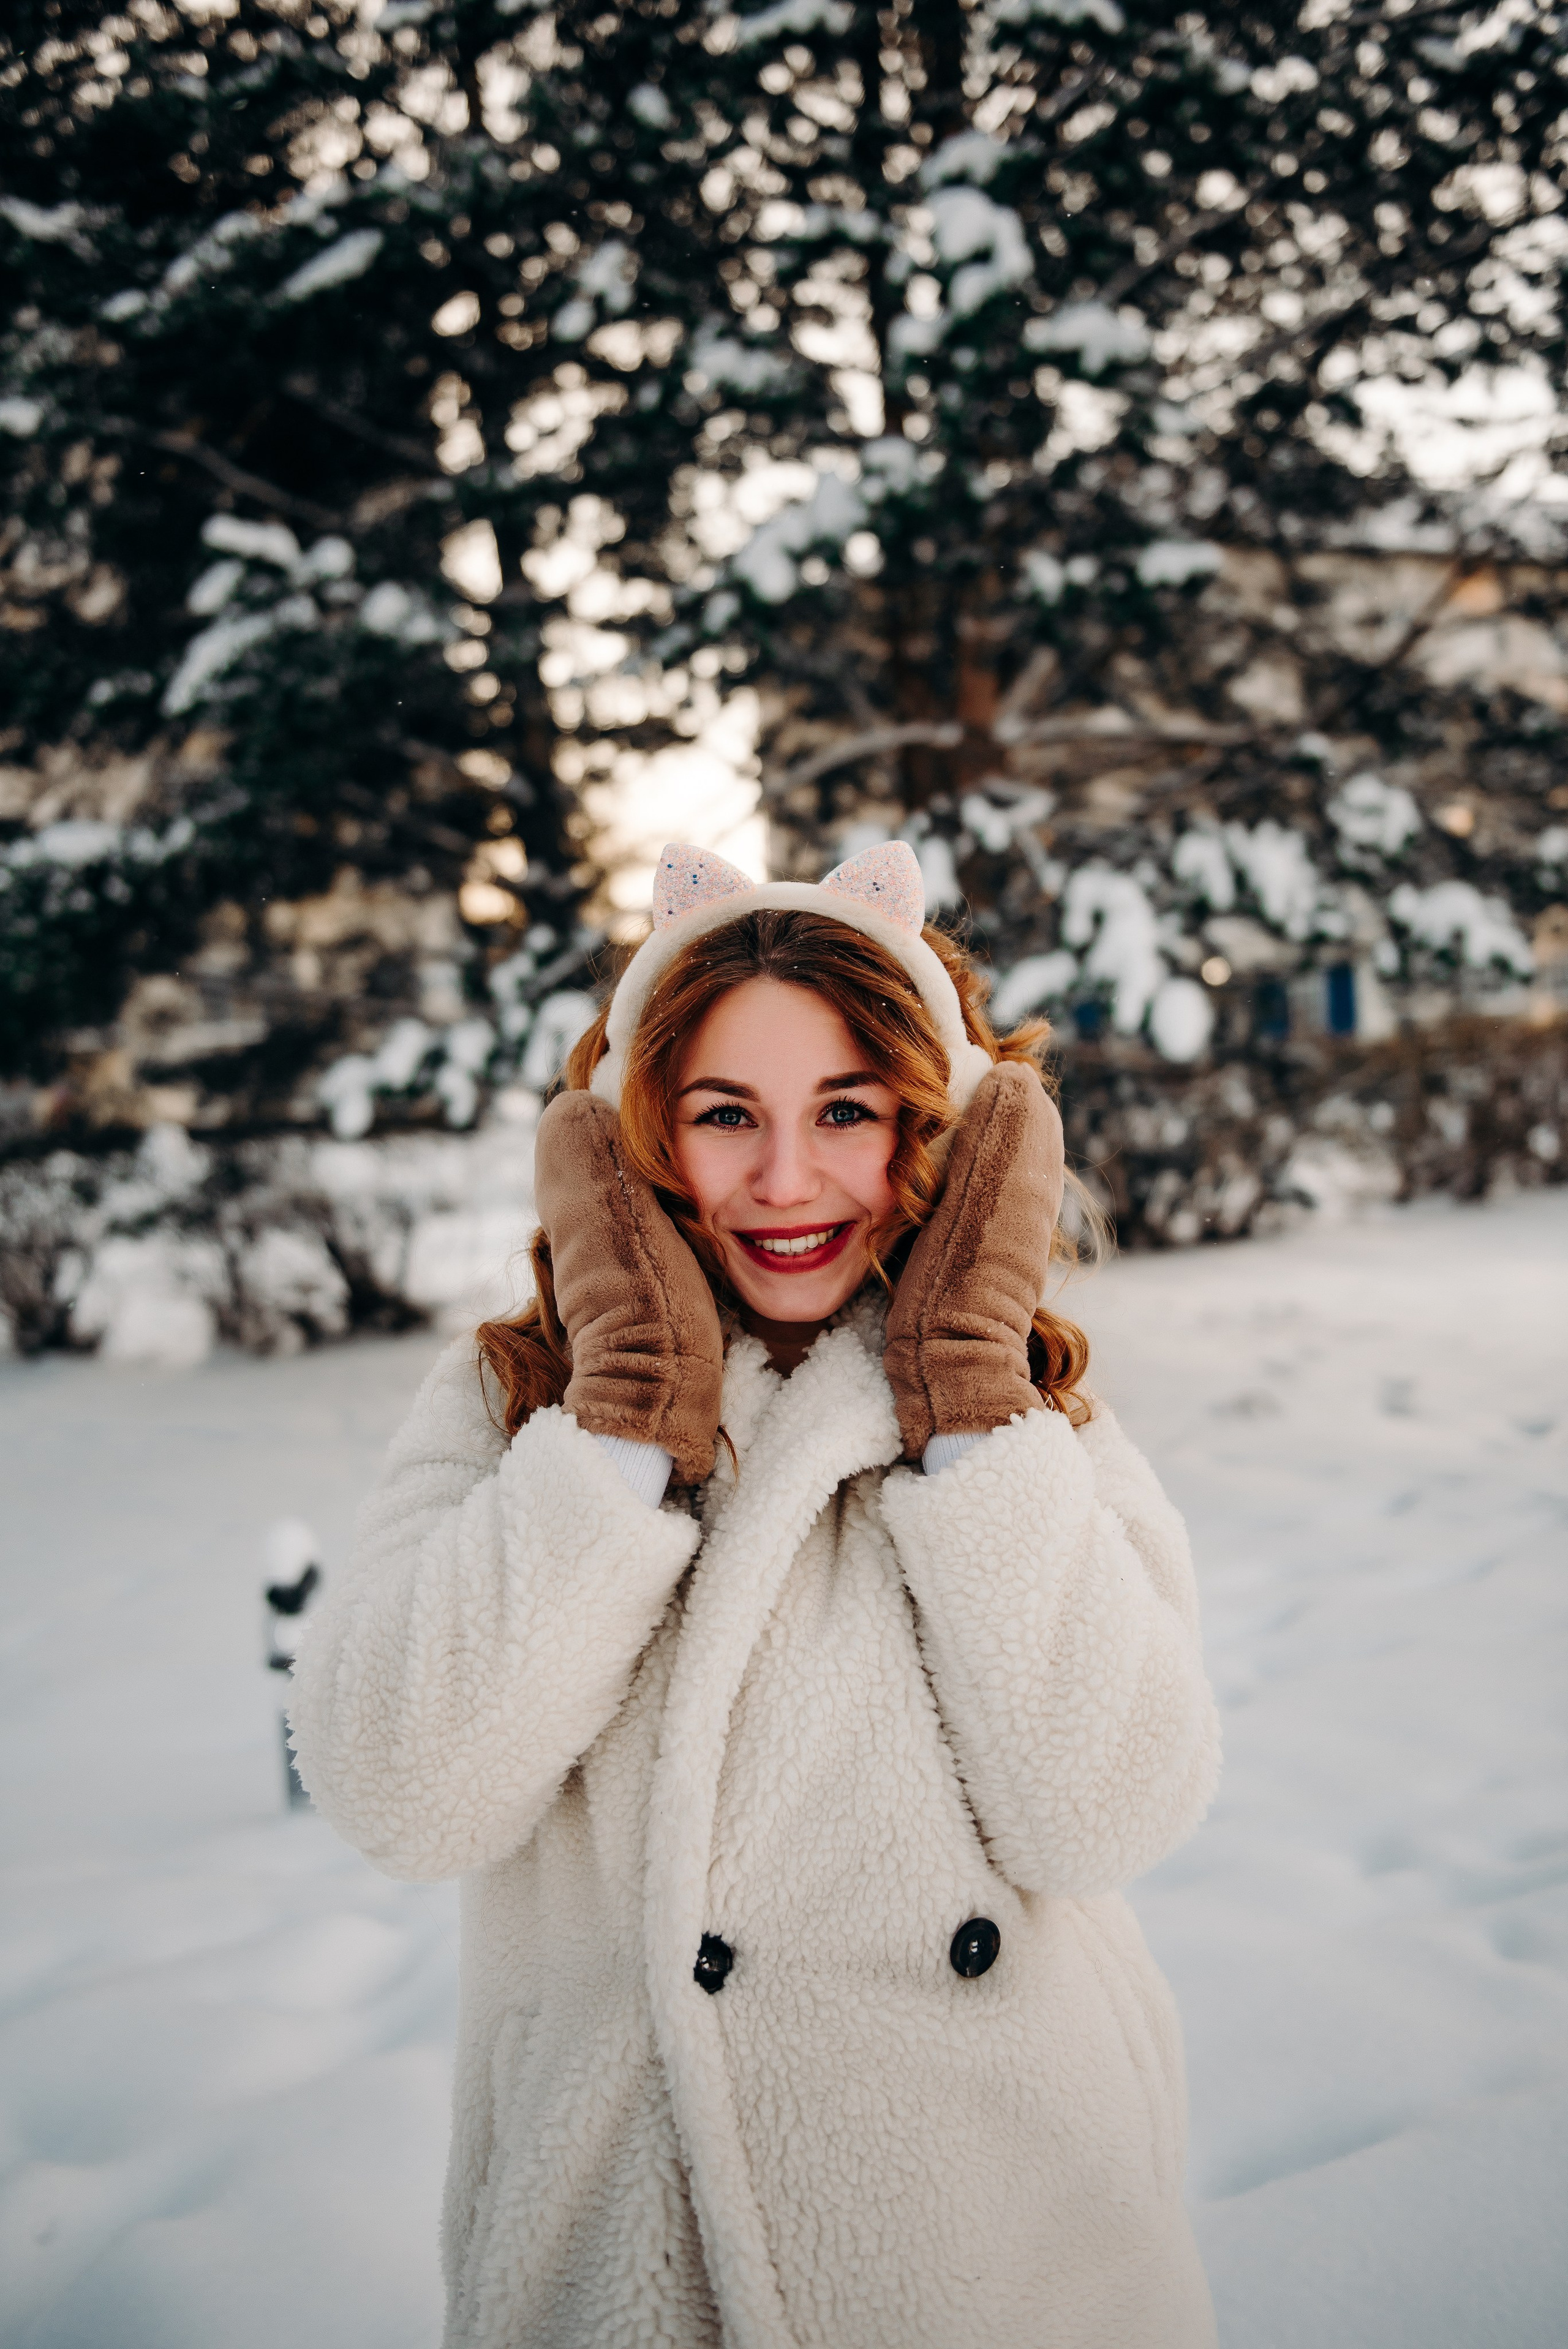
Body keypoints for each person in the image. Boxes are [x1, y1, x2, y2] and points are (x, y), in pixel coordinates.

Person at [290, 840, 1221, 2349]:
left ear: (945, 1130)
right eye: (723, 1116)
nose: (786, 1183)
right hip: (637, 2264)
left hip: (1015, 2254)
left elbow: (1111, 1807)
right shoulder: (510, 1404)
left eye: (846, 1111)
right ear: (625, 1141)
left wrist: (968, 1401)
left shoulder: (1027, 1415)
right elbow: (400, 1791)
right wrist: (621, 1420)